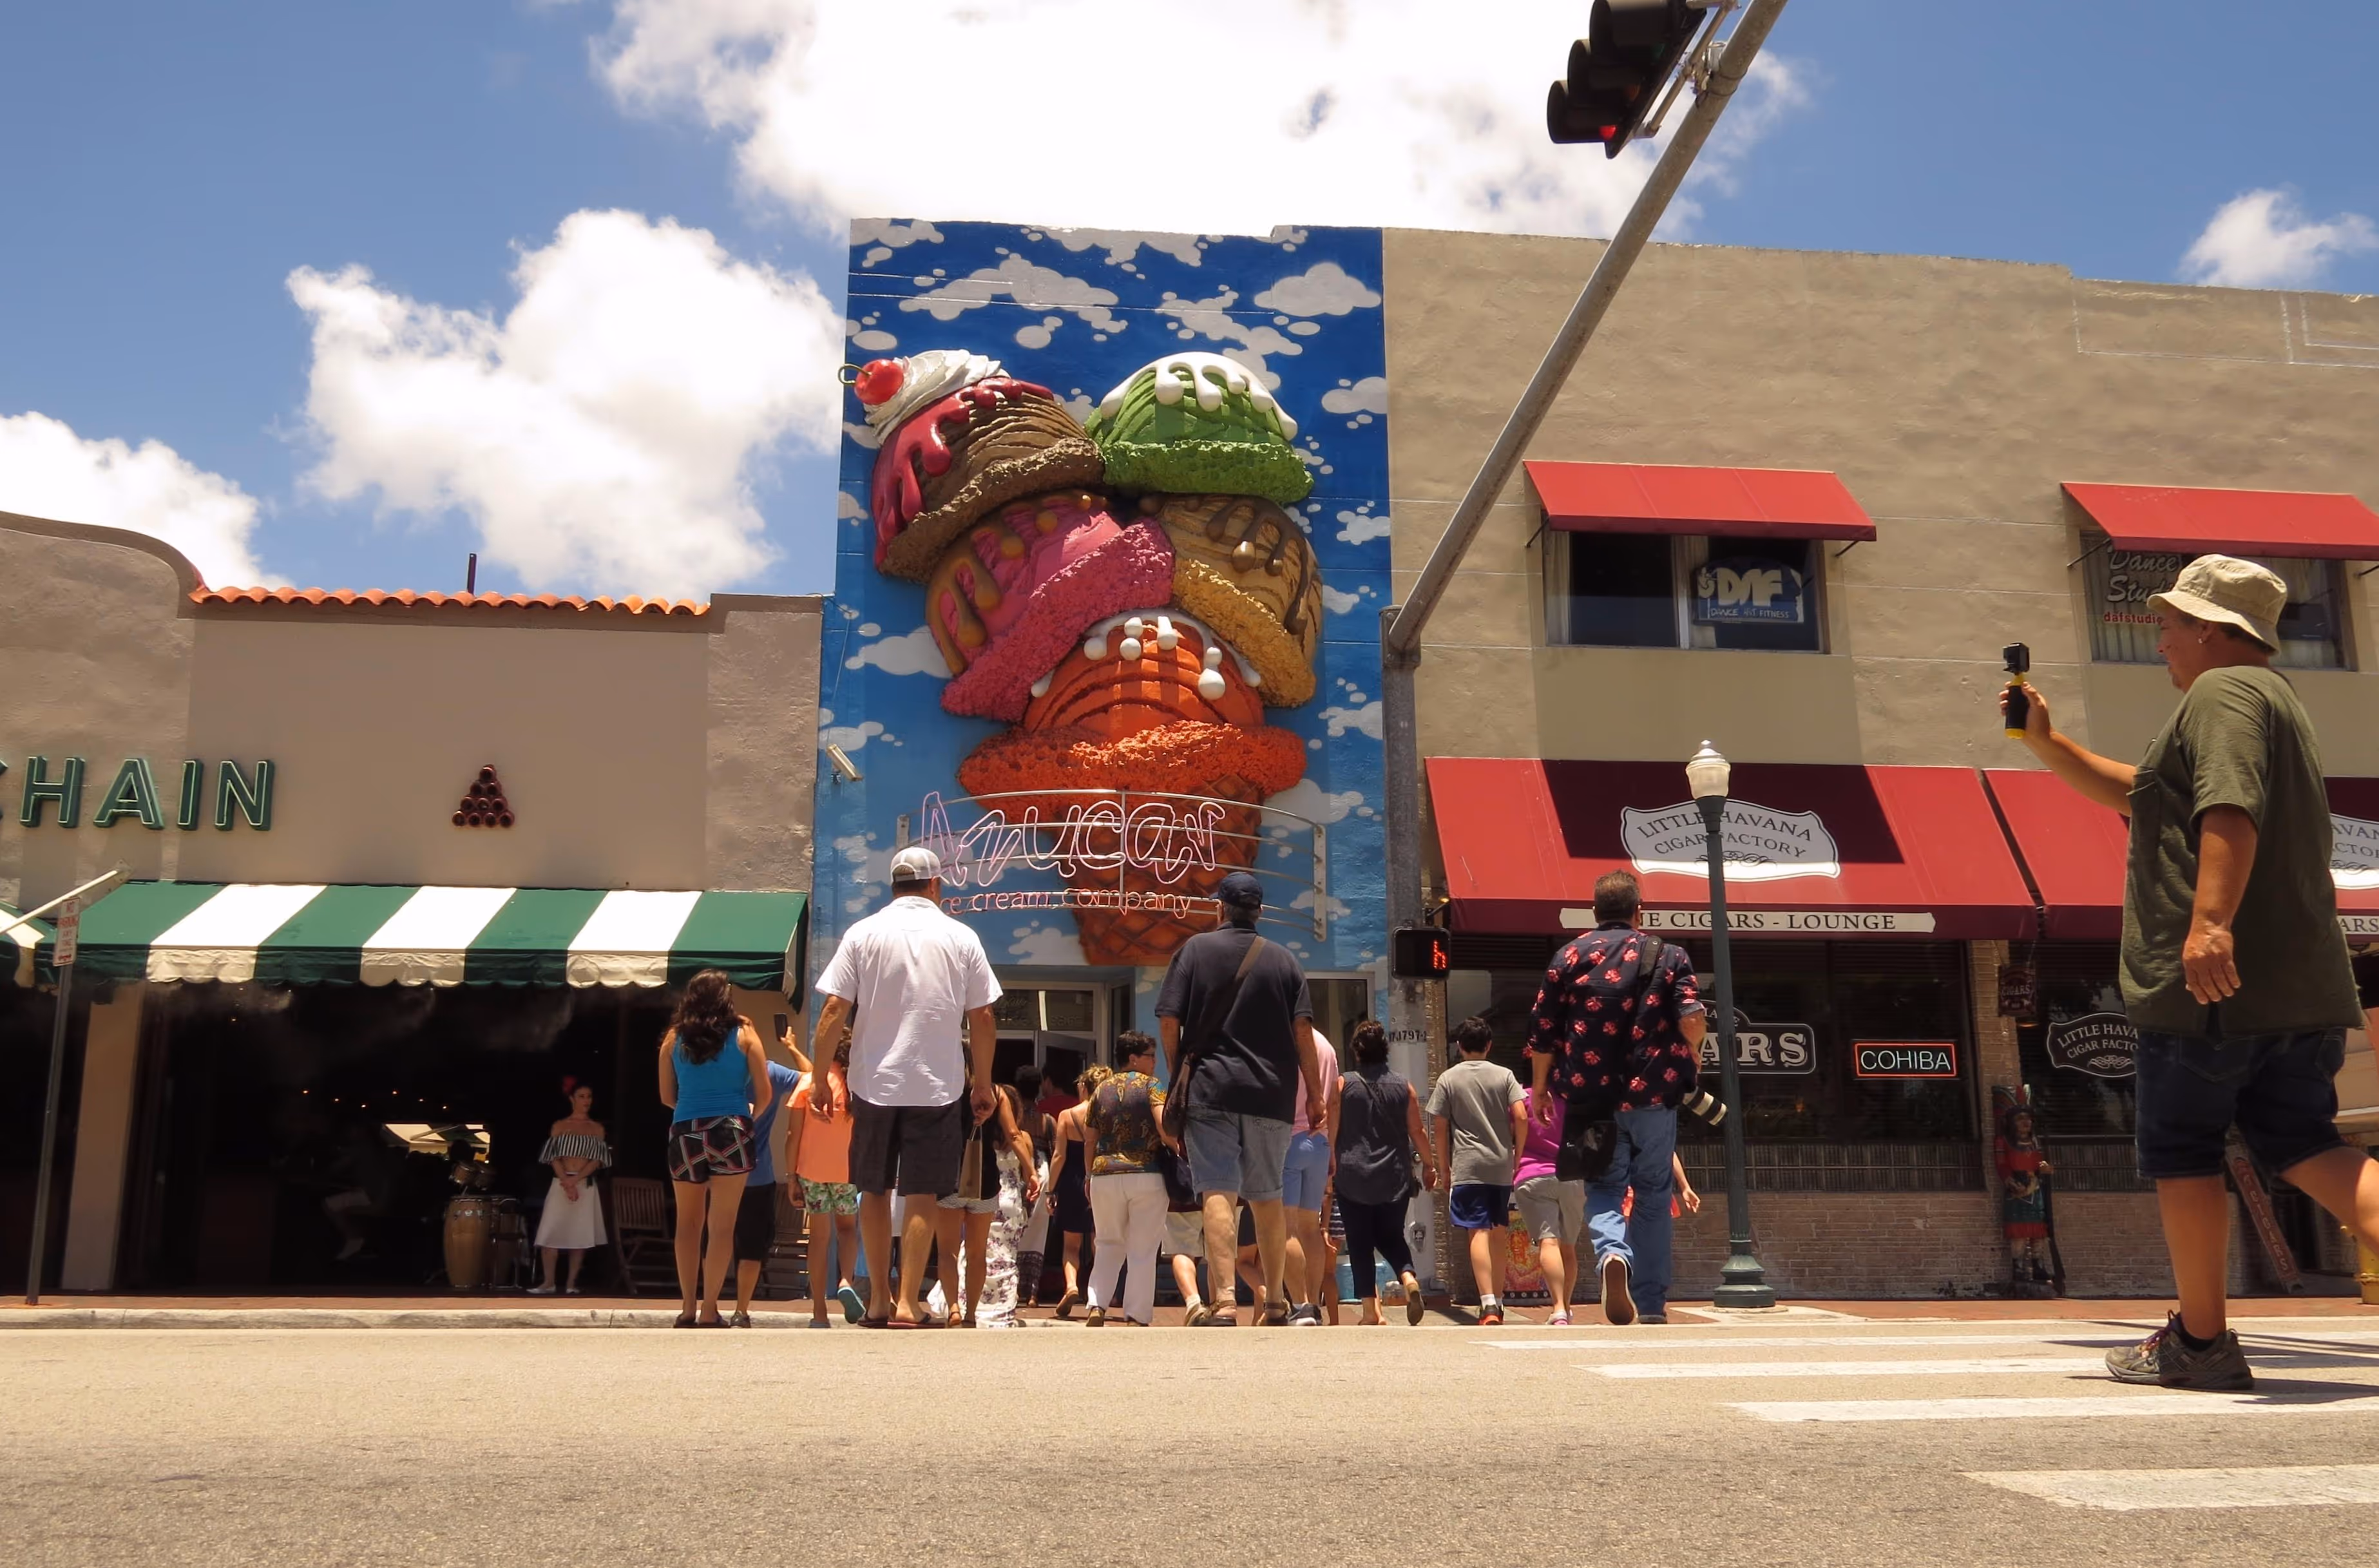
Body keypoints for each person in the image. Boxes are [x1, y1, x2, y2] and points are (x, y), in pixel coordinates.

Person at [2005, 555, 2379, 1388]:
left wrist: (2208, 924)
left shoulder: (2223, 695)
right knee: (2305, 1144)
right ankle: (2197, 1338)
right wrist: (2045, 741)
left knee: (2184, 1151)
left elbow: (2228, 808)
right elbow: (2146, 796)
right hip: (2298, 985)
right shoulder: (2267, 700)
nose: (2159, 636)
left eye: (2170, 622)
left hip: (2213, 993)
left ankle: (2200, 1342)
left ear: (2211, 629)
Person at [810, 845, 1000, 1329]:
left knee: (873, 1189)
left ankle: (876, 1301)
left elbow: (834, 1011)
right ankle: (906, 1305)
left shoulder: (863, 933)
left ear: (893, 885)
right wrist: (982, 1082)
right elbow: (982, 1016)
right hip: (937, 1084)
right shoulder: (961, 937)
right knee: (921, 1193)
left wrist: (818, 1078)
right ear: (935, 885)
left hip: (874, 1081)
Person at [1526, 869, 1706, 1326]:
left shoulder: (1568, 956)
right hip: (1652, 1093)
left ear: (1593, 912)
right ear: (1637, 910)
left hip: (1589, 1097)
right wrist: (1695, 1053)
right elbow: (1691, 1014)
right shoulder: (1669, 955)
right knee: (1651, 1192)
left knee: (1603, 1188)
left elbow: (1543, 1032)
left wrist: (1542, 1087)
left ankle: (1611, 1255)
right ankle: (1650, 1304)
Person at [1157, 870, 1325, 1328]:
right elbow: (1303, 1031)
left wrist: (1176, 1075)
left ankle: (1226, 1302)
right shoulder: (1285, 962)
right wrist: (1313, 1095)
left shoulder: (1194, 951)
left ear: (1220, 908)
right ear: (1260, 912)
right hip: (1272, 1093)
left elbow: (1169, 1019)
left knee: (1218, 1191)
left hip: (1211, 1087)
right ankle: (1274, 1304)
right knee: (1267, 1197)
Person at [658, 970, 774, 1328]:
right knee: (722, 1226)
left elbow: (666, 1097)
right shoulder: (745, 1034)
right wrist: (748, 1115)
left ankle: (688, 1308)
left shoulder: (674, 1038)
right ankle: (711, 1309)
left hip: (686, 1130)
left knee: (687, 1224)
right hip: (730, 1128)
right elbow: (765, 1090)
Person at [1326, 1020, 1433, 1325]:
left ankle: (1370, 1311)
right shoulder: (1404, 1086)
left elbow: (1331, 1129)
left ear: (1356, 1051)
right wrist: (1429, 1164)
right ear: (1385, 1049)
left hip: (1352, 1175)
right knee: (1391, 1236)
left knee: (1359, 1242)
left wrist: (1329, 1166)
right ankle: (1409, 1278)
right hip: (1393, 1177)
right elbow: (1417, 1131)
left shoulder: (1343, 1084)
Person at [1426, 1016, 1529, 1325]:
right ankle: (1498, 1299)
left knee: (1477, 1231)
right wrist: (1517, 1155)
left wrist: (1444, 1167)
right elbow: (1522, 1116)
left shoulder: (1448, 1079)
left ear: (1459, 1046)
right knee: (1499, 1231)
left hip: (1468, 1164)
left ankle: (1486, 1305)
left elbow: (1440, 1125)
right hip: (1500, 1163)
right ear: (1489, 1045)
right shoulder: (1505, 1075)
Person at [935, 1079, 1041, 1326]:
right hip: (985, 1180)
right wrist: (1031, 1171)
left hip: (949, 1175)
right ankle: (971, 1314)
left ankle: (953, 1308)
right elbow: (1014, 1134)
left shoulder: (945, 1086)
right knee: (977, 1252)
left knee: (947, 1252)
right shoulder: (996, 1093)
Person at [1083, 1031, 1169, 1327]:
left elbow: (1089, 1138)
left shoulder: (1101, 1090)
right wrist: (1177, 1147)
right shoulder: (1152, 1086)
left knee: (1107, 1242)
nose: (1155, 1062)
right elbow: (1162, 1123)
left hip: (1104, 1173)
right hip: (1146, 1173)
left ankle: (1097, 1304)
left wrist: (1089, 1173)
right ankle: (1136, 1314)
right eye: (1150, 1056)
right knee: (1143, 1248)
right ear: (1134, 1059)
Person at [785, 1037, 865, 1326]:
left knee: (819, 1239)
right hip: (847, 1171)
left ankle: (819, 1311)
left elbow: (793, 1135)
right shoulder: (856, 1086)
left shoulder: (808, 1083)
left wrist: (791, 1177)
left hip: (812, 1172)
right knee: (847, 1231)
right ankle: (845, 1280)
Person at [727, 1046, 803, 1327]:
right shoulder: (771, 1071)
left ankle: (706, 1307)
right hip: (757, 1174)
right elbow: (810, 1079)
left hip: (717, 1172)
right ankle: (740, 1310)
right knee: (751, 1246)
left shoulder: (716, 1068)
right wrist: (794, 1049)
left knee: (714, 1239)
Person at [1281, 1026, 1340, 1326]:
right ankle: (1314, 1304)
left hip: (1287, 1140)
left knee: (1287, 1228)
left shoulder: (1284, 1041)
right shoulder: (1327, 1047)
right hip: (1319, 1142)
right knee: (1311, 1227)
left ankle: (1301, 1304)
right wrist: (1331, 1146)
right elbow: (1334, 1102)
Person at [528, 1082, 610, 1296]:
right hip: (561, 1182)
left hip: (583, 1183)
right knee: (550, 1231)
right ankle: (548, 1282)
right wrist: (566, 1180)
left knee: (579, 1234)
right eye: (582, 1096)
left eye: (589, 1096)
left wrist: (575, 1181)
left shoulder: (596, 1128)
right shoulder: (560, 1126)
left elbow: (596, 1160)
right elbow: (553, 1157)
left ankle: (572, 1283)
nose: (586, 1101)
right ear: (572, 1099)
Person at [1511, 1084, 1581, 1324]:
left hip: (1532, 1175)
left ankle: (1559, 1308)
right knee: (1569, 1247)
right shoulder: (1569, 1097)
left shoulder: (1521, 1097)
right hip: (1571, 1175)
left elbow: (1514, 1127)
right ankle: (1567, 1307)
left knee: (1548, 1242)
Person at [1041, 1065, 1105, 1316]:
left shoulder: (1067, 1115)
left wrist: (1050, 1189)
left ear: (1083, 1087)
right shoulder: (1107, 1114)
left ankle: (1070, 1286)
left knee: (1071, 1244)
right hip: (1100, 1179)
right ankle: (1098, 1294)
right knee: (1100, 1241)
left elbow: (1059, 1156)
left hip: (1071, 1181)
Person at [1010, 1064, 1057, 1306]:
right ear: (1038, 1087)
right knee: (1038, 1235)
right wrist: (1053, 1191)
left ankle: (1013, 1289)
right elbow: (1057, 1152)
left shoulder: (1012, 1119)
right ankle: (1032, 1294)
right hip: (1042, 1172)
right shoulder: (1047, 1121)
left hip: (1017, 1172)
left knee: (1013, 1231)